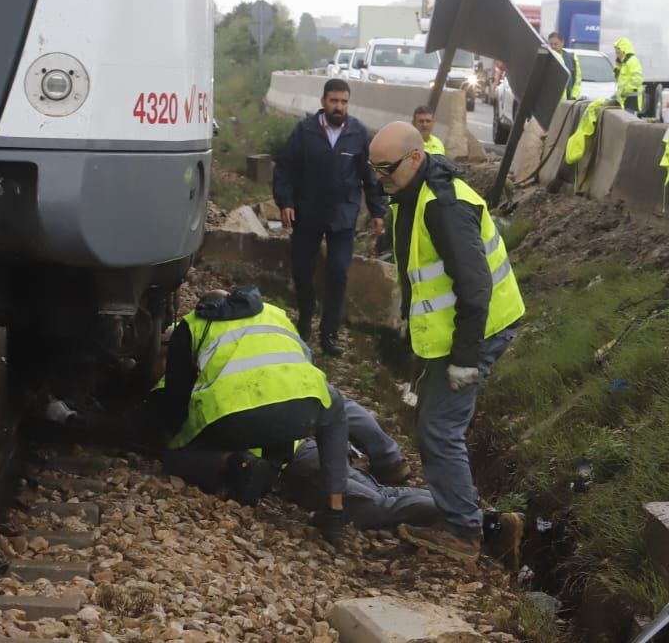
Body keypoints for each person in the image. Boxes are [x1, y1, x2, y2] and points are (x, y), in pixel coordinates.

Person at [367, 121, 525, 562]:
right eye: (373, 168)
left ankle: (463, 533)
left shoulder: (444, 206)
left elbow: (475, 288)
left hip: (478, 331)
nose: (380, 177)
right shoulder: (411, 194)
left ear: (415, 158)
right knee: (439, 425)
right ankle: (490, 524)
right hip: (456, 332)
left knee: (439, 428)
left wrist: (464, 360)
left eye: (387, 167)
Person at [148, 286, 353, 540]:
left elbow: (177, 397)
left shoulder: (193, 324)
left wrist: (175, 444)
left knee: (177, 457)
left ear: (202, 307)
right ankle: (334, 511)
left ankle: (236, 463)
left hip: (235, 418)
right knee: (336, 411)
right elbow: (304, 359)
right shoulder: (275, 313)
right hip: (303, 407)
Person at [279, 396, 525, 566]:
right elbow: (342, 406)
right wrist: (387, 457)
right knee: (385, 496)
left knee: (376, 506)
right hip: (319, 449)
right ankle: (482, 518)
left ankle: (484, 525)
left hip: (301, 461)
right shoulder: (284, 357)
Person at [273, 80, 388, 356]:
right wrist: (286, 202)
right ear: (324, 101)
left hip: (343, 214)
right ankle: (304, 319)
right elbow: (286, 168)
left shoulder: (358, 133)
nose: (339, 107)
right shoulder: (306, 131)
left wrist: (377, 211)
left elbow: (369, 176)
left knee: (338, 272)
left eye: (344, 102)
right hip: (308, 212)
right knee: (302, 270)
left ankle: (329, 333)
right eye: (335, 101)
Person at [549, 31, 585, 101]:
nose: (553, 46)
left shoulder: (572, 57)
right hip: (551, 102)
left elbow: (577, 80)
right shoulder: (546, 58)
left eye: (555, 44)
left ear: (562, 43)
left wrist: (574, 96)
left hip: (567, 102)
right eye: (551, 44)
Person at [612, 37, 644, 114]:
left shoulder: (632, 61)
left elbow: (637, 79)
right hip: (624, 99)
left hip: (630, 99)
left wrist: (626, 90)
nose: (617, 55)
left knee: (628, 122)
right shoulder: (624, 63)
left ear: (624, 51)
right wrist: (618, 66)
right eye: (616, 52)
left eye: (618, 52)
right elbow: (618, 77)